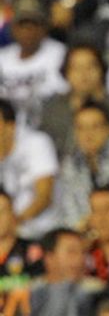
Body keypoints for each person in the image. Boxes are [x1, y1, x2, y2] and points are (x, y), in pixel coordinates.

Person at [57, 102, 109, 229]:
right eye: (81, 128)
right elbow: (71, 213)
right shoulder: (69, 164)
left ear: (108, 129)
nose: (88, 134)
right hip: (90, 231)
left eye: (95, 126)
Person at [0, 0, 67, 124]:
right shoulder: (2, 57)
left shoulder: (59, 53)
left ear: (44, 28)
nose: (28, 31)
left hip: (47, 122)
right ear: (13, 29)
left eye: (33, 25)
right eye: (22, 25)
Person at [0, 99, 58, 239]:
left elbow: (44, 196)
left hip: (42, 231)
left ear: (11, 126)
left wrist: (14, 223)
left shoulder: (36, 143)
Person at [30, 228, 98, 316]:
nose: (80, 259)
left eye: (83, 252)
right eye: (72, 252)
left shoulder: (95, 291)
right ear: (49, 257)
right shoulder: (30, 293)